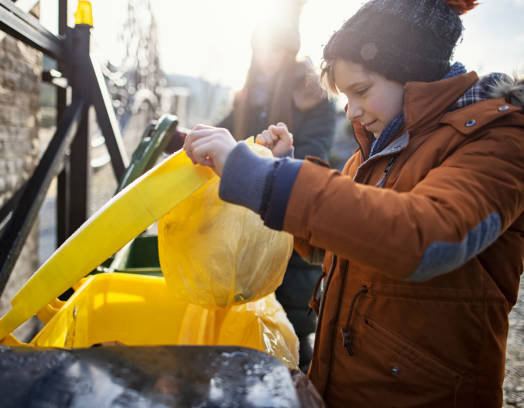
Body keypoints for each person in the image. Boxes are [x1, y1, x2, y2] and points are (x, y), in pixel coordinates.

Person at [183, 0, 524, 406]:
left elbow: (425, 238)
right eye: (346, 96)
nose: (352, 112)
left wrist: (261, 177)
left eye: (361, 90)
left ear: (413, 73)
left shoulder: (498, 139)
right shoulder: (371, 154)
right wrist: (279, 169)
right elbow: (332, 241)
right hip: (342, 386)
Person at [217, 13, 336, 372]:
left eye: (275, 49)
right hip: (245, 224)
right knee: (244, 320)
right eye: (261, 47)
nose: (267, 56)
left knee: (291, 326)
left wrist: (273, 160)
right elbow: (225, 133)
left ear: (289, 52)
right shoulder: (247, 93)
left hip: (288, 219)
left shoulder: (312, 96)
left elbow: (318, 153)